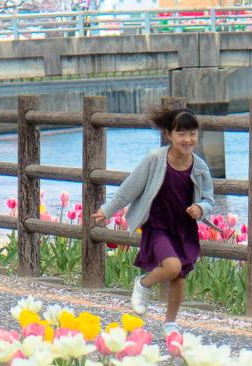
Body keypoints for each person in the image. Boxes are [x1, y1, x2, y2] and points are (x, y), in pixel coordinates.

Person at [93, 100, 221, 324]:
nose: (188, 139)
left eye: (192, 134)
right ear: (169, 135)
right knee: (172, 267)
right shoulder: (155, 159)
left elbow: (209, 199)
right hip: (157, 225)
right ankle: (143, 284)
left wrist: (200, 208)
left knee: (179, 279)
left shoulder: (199, 166)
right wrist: (108, 210)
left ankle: (170, 325)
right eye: (181, 134)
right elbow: (130, 188)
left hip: (183, 228)